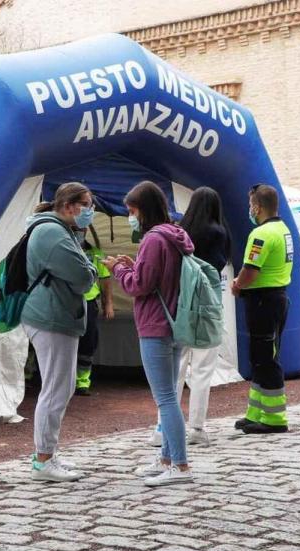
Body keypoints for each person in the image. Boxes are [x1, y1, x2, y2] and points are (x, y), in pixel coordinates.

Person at [104, 181, 195, 487]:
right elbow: (153, 276)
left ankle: (180, 466)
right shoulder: (175, 235)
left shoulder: (153, 240)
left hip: (155, 325)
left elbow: (138, 286)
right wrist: (135, 266)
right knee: (169, 395)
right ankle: (167, 459)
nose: (131, 217)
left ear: (143, 210)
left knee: (165, 399)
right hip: (175, 322)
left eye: (132, 211)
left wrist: (118, 270)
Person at [22, 182, 98, 482]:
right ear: (69, 207)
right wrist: (90, 269)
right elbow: (82, 277)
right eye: (87, 205)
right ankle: (43, 460)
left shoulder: (57, 230)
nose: (90, 212)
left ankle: (48, 453)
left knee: (59, 387)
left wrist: (87, 269)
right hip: (51, 316)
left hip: (55, 314)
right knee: (56, 388)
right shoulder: (52, 233)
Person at [148, 186, 230, 447]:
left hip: (180, 307)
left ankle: (163, 426)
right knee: (203, 370)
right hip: (207, 307)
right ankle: (196, 427)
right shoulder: (220, 233)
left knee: (174, 370)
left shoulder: (180, 232)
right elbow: (219, 267)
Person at [231, 184, 292, 434]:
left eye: (250, 204)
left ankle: (275, 419)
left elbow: (251, 271)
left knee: (265, 358)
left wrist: (237, 284)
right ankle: (256, 412)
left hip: (262, 301)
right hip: (275, 298)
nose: (249, 209)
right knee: (260, 357)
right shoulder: (283, 229)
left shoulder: (262, 234)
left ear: (257, 206)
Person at [74, 224, 114, 396]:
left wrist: (108, 304)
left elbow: (105, 279)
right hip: (66, 301)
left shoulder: (96, 253)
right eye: (76, 229)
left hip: (89, 302)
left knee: (88, 342)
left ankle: (82, 381)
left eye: (82, 229)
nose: (79, 232)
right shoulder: (61, 247)